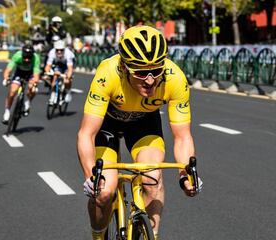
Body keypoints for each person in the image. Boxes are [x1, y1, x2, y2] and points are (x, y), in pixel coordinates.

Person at [77, 25, 203, 240]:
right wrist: (91, 177)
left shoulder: (175, 78)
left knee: (153, 178)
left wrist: (186, 175)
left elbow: (183, 136)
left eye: (156, 70)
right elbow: (86, 134)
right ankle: (98, 234)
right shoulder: (107, 73)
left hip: (144, 124)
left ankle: (149, 235)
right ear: (124, 67)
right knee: (104, 192)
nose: (151, 80)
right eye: (142, 72)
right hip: (107, 125)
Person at [2, 44, 41, 124]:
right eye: (25, 57)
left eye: (29, 58)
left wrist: (34, 83)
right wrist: (6, 79)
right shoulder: (17, 56)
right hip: (19, 73)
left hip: (31, 74)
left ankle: (28, 102)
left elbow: (36, 76)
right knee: (13, 91)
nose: (26, 60)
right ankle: (7, 111)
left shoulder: (36, 58)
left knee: (32, 88)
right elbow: (8, 70)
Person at [44, 39, 75, 104]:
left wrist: (68, 77)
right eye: (57, 50)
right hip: (58, 63)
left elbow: (70, 69)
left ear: (64, 49)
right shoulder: (52, 52)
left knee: (67, 80)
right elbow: (48, 66)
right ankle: (53, 94)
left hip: (68, 64)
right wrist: (47, 73)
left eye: (61, 50)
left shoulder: (68, 54)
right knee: (55, 76)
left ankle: (68, 93)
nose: (59, 52)